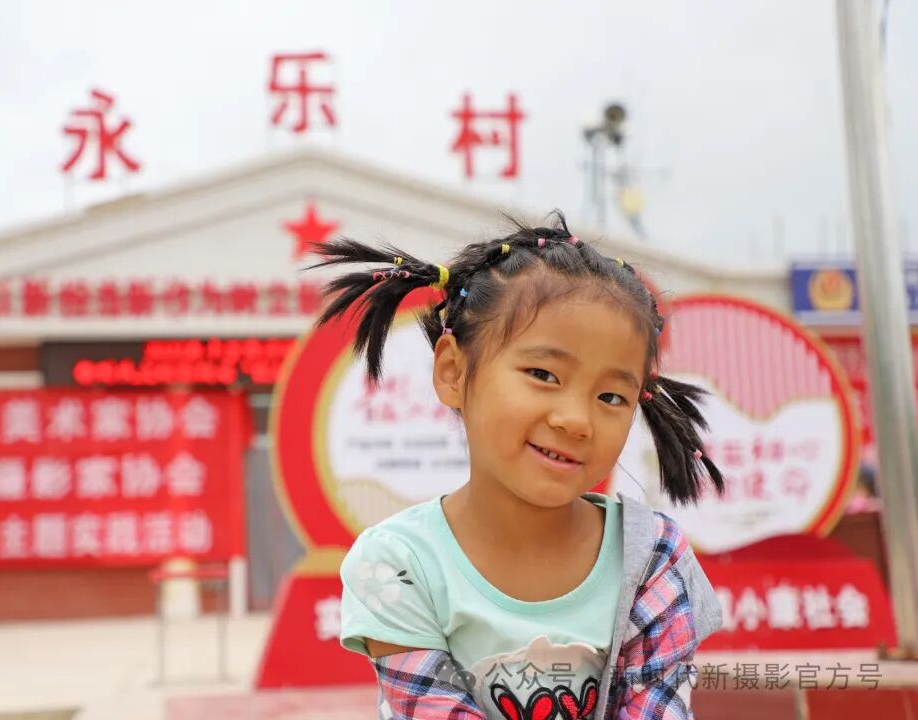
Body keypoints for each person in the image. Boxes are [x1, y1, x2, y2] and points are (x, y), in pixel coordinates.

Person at [309, 212, 725, 719]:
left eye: (611, 396)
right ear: (453, 370)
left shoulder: (651, 557)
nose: (576, 420)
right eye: (543, 374)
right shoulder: (398, 564)